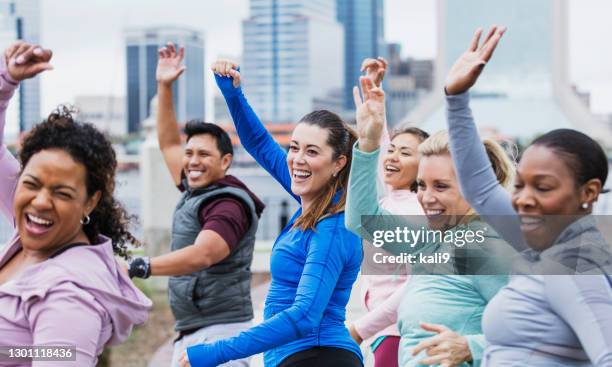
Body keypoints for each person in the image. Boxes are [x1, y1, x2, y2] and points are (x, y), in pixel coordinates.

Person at [179, 59, 364, 367]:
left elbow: (304, 316)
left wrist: (214, 353)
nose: (298, 160)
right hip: (297, 356)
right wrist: (233, 94)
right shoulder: (311, 198)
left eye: (312, 151)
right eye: (294, 148)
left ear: (338, 164)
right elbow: (260, 144)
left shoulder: (333, 226)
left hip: (319, 357)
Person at [444, 26, 612, 365]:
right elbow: (482, 188)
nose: (524, 199)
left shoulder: (574, 264)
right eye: (520, 185)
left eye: (544, 187)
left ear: (589, 192)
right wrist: (455, 100)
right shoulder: (543, 244)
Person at [346, 75, 515, 367]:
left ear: (476, 188)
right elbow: (362, 221)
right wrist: (369, 142)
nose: (426, 197)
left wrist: (471, 348)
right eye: (421, 185)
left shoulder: (486, 248)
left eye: (441, 186)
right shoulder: (431, 242)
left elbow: (537, 333)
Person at [0, 41, 151, 366]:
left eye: (62, 193)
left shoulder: (69, 296)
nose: (40, 201)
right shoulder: (30, 236)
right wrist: (6, 81)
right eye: (31, 183)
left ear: (90, 201)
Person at [127, 43, 265, 367]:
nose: (192, 161)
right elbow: (167, 142)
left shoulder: (228, 204)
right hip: (194, 331)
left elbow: (204, 253)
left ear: (226, 162)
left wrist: (141, 266)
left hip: (219, 334)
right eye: (190, 154)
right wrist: (164, 86)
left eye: (204, 155)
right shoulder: (196, 188)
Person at [346, 57, 430, 367]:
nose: (393, 156)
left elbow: (416, 285)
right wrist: (376, 103)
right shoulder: (393, 198)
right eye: (392, 148)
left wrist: (361, 328)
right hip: (384, 333)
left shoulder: (414, 210)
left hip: (395, 333)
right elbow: (379, 155)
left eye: (406, 153)